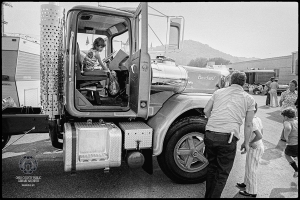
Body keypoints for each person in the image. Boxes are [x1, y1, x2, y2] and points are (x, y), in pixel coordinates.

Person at [203, 71, 256, 198]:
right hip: (228, 137)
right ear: (244, 82)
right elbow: (248, 124)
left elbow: (206, 110)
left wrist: (214, 123)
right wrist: (246, 143)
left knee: (211, 167)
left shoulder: (218, 92)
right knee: (222, 173)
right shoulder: (249, 99)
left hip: (210, 133)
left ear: (231, 81)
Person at [237, 103, 264, 197]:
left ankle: (252, 191)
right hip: (256, 146)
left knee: (251, 169)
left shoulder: (252, 121)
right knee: (248, 166)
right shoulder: (257, 118)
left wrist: (249, 143)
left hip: (255, 147)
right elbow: (261, 131)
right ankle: (246, 183)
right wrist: (246, 142)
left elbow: (259, 135)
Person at [281, 107, 298, 178]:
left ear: (286, 117)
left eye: (283, 117)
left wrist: (286, 137)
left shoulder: (287, 122)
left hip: (292, 144)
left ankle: (296, 170)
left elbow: (288, 128)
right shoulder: (296, 121)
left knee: (287, 155)